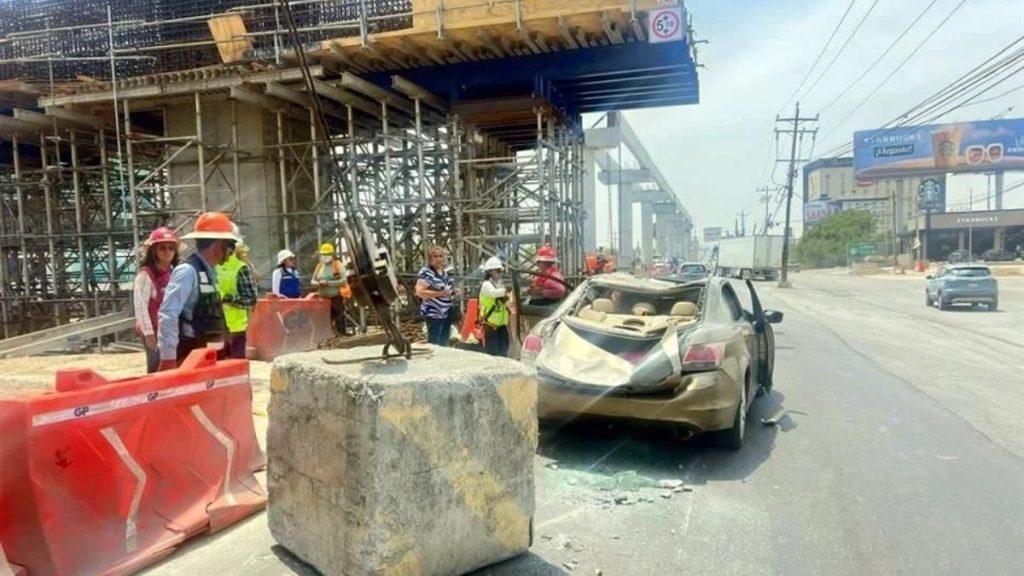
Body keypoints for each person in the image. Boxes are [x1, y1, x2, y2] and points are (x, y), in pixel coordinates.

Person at [157, 212, 240, 370]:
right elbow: (168, 315)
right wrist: (168, 358)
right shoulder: (187, 271)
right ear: (218, 245)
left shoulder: (210, 271)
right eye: (231, 245)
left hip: (207, 354)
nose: (231, 252)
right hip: (189, 355)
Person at [133, 227, 179, 373]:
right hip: (154, 330)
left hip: (172, 330)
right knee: (156, 367)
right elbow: (140, 306)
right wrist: (149, 334)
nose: (167, 252)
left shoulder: (175, 272)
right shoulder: (146, 275)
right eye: (162, 248)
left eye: (171, 248)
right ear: (153, 251)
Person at [216, 239, 258, 359]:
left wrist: (226, 298)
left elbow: (251, 300)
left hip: (235, 329)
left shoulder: (241, 268)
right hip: (214, 328)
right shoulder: (212, 265)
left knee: (235, 372)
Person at [415, 246, 459, 346]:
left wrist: (454, 292)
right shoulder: (426, 272)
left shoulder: (444, 273)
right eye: (435, 256)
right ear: (430, 259)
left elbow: (446, 289)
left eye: (440, 256)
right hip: (434, 314)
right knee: (435, 344)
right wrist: (439, 294)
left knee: (444, 342)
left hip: (446, 313)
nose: (438, 259)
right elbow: (419, 292)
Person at [312, 242, 352, 335]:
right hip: (323, 298)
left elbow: (344, 280)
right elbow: (312, 281)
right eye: (323, 254)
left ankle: (342, 334)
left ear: (332, 255)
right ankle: (327, 336)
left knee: (339, 316)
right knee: (326, 318)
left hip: (335, 297)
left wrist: (329, 283)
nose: (325, 256)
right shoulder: (319, 266)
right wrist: (319, 283)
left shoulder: (337, 265)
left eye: (327, 254)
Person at [478, 256, 510, 357]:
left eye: (501, 271)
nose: (501, 273)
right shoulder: (486, 285)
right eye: (498, 270)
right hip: (491, 325)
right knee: (492, 353)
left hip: (501, 325)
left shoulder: (499, 284)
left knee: (503, 351)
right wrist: (506, 291)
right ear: (490, 272)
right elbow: (493, 293)